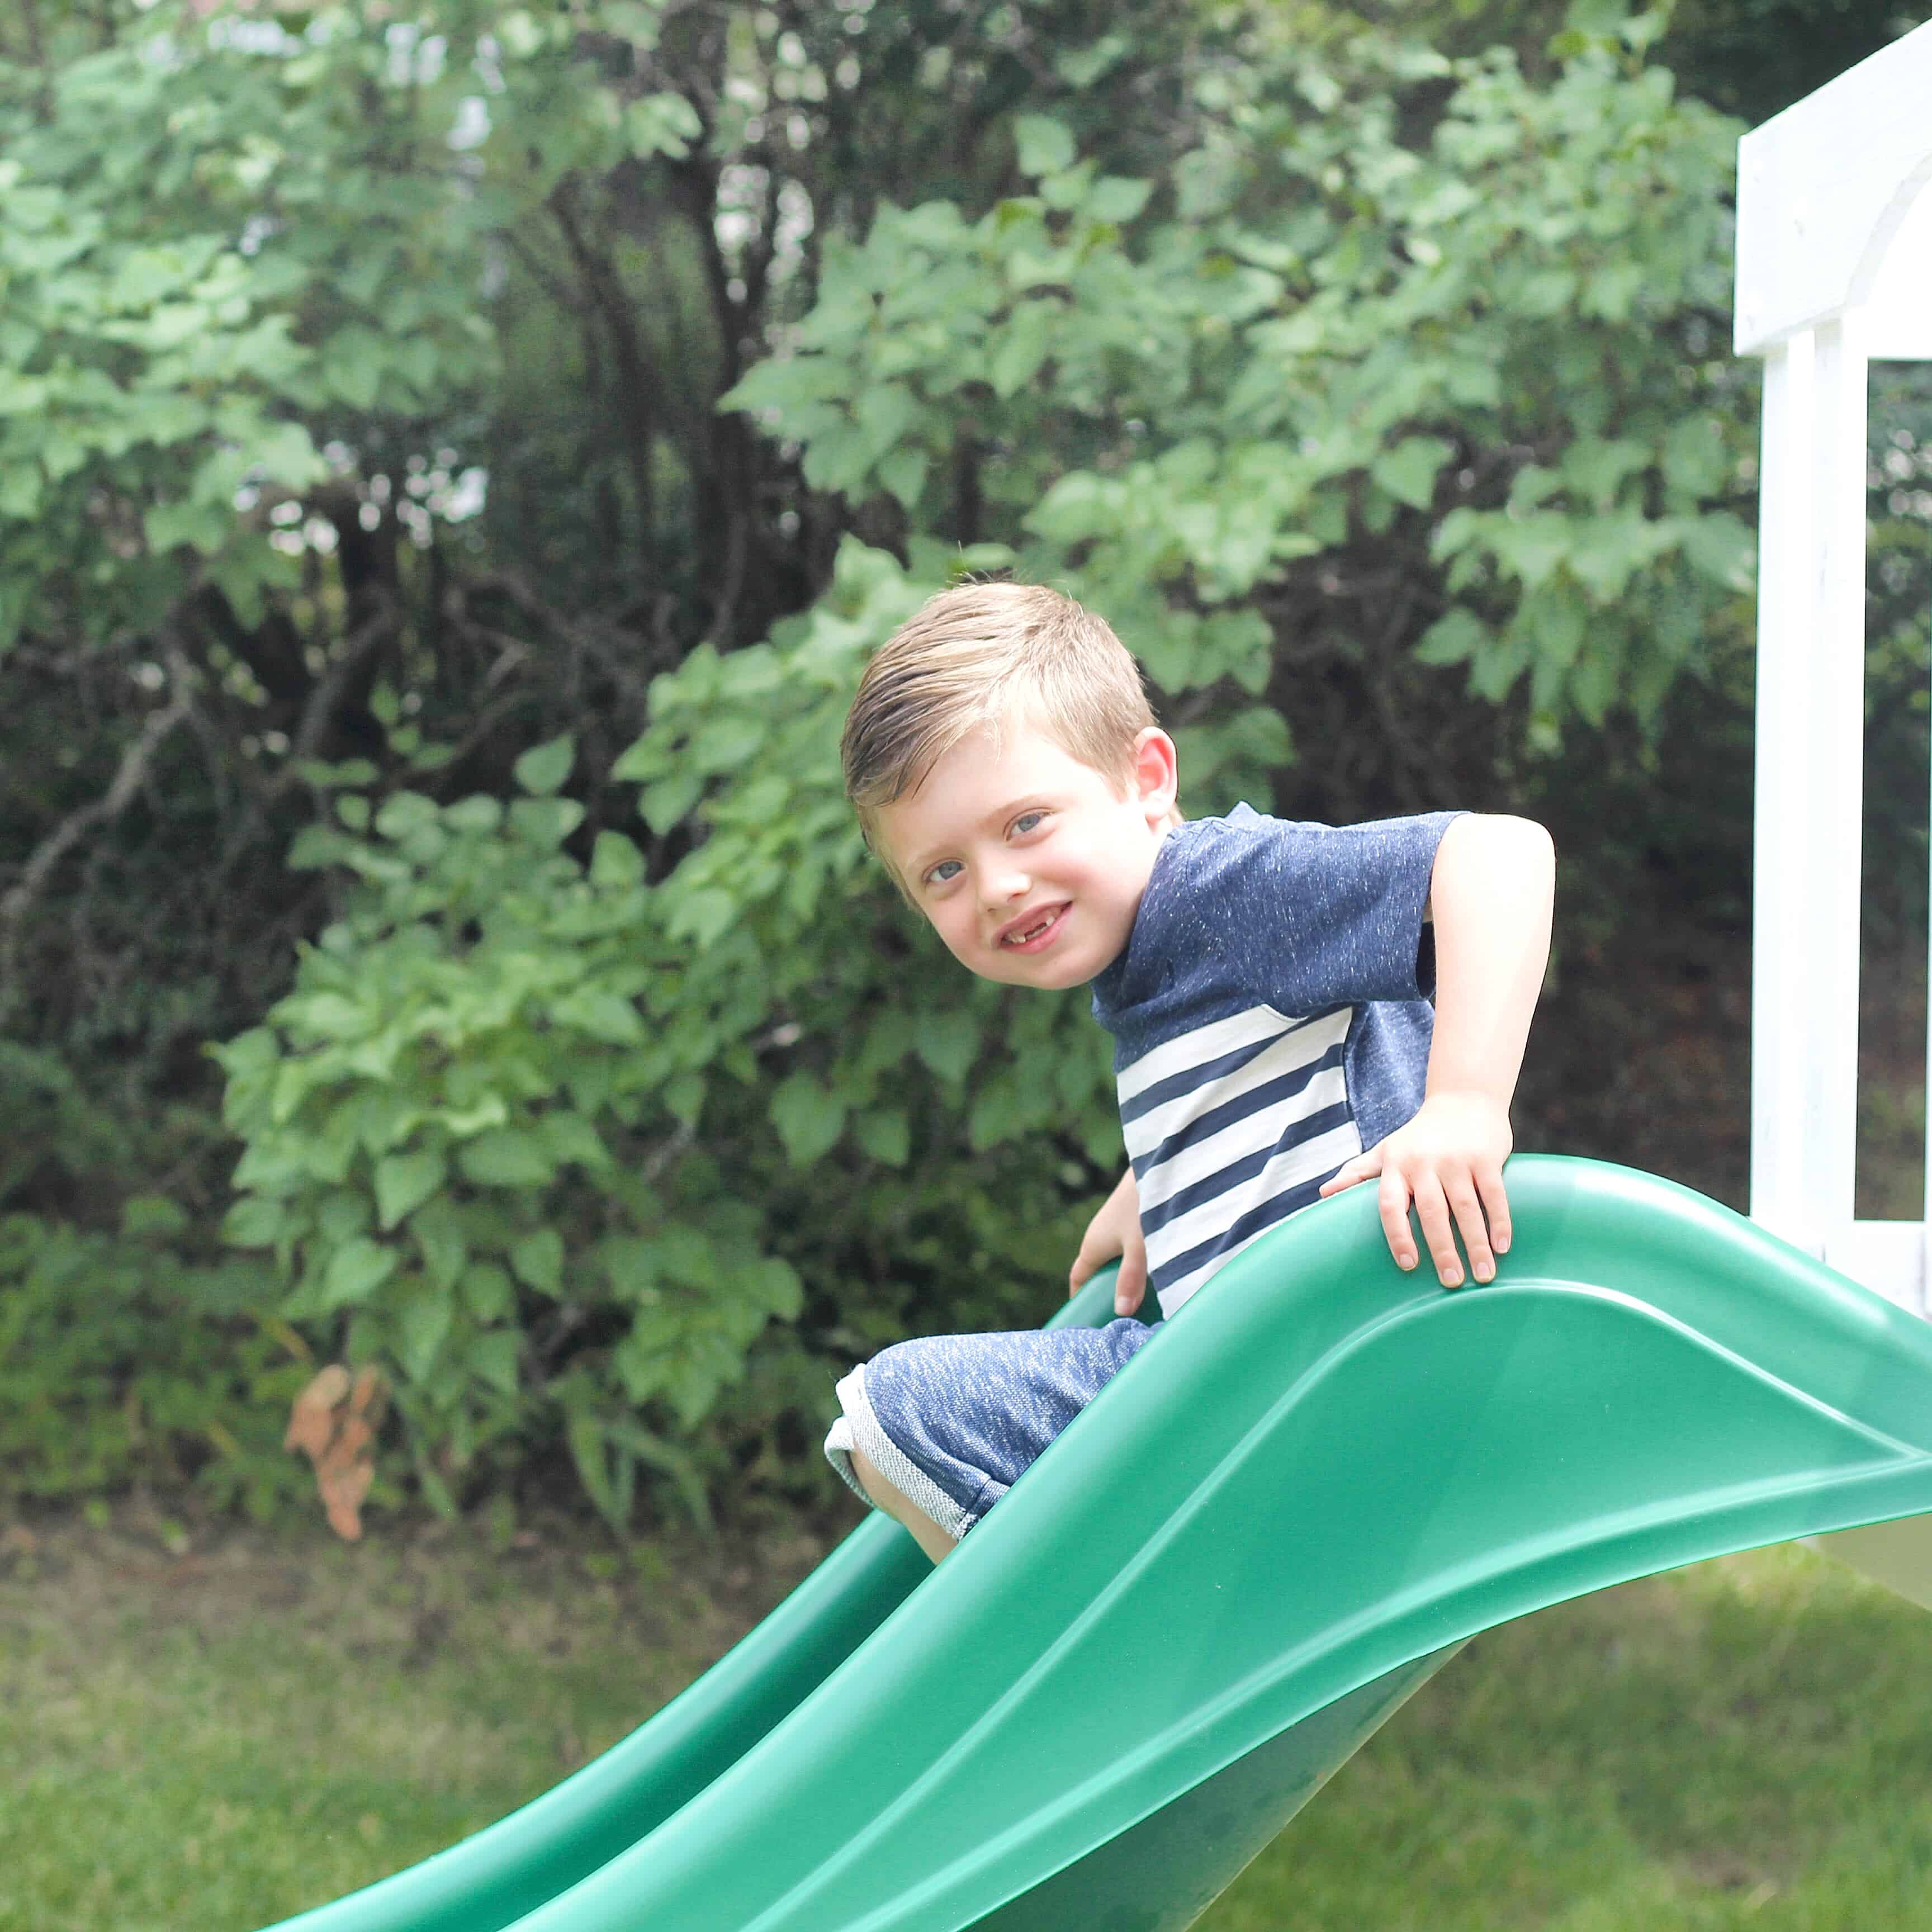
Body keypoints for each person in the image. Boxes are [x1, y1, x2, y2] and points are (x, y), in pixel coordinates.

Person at [822, 580, 1555, 1564]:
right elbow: (1293, 1061)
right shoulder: (1155, 962)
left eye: (1027, 822)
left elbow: (1501, 857)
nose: (997, 885)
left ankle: (1077, 1655)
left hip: (1331, 1362)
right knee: (894, 1426)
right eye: (942, 872)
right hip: (1288, 1373)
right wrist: (1157, 1178)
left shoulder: (1218, 893)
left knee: (890, 1412)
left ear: (1148, 778)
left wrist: (1465, 1103)